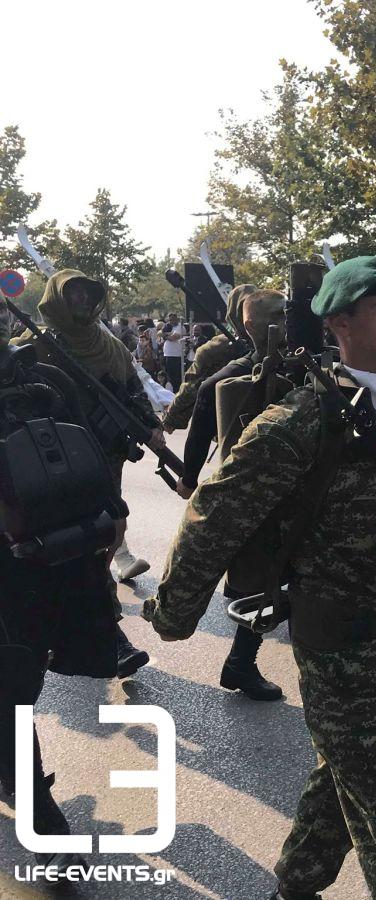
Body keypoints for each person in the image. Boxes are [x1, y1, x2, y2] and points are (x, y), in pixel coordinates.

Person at [144, 254, 376, 899]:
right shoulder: (300, 421)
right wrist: (174, 615)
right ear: (340, 322)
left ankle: (293, 886)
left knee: (339, 787)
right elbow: (216, 516)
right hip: (342, 656)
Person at [0, 303, 124, 873]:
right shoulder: (41, 375)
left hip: (42, 559)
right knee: (12, 683)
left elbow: (93, 457)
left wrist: (110, 513)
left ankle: (22, 782)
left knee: (18, 679)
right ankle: (31, 796)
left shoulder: (41, 378)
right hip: (27, 560)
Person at [9, 269, 160, 676]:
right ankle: (108, 636)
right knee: (79, 544)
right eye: (74, 294)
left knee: (106, 533)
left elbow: (131, 391)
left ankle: (78, 631)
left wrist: (151, 430)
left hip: (101, 458)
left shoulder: (107, 345)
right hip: (53, 463)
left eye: (89, 295)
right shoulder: (30, 347)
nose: (83, 302)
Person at [172, 289, 289, 702]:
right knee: (260, 582)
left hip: (302, 491)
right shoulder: (231, 378)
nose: (286, 321)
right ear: (251, 326)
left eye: (288, 313)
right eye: (276, 316)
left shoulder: (309, 368)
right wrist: (189, 477)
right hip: (253, 498)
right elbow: (202, 422)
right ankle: (242, 662)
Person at [162, 284, 255, 434]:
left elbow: (191, 389)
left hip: (232, 427)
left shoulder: (216, 348)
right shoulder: (281, 341)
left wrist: (171, 419)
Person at [160, 312, 187, 391]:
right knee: (170, 376)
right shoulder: (169, 327)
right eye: (170, 319)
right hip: (168, 355)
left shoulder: (180, 327)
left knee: (176, 377)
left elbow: (173, 338)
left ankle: (177, 392)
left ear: (176, 319)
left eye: (173, 319)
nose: (171, 321)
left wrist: (165, 336)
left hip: (176, 356)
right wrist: (166, 335)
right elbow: (159, 334)